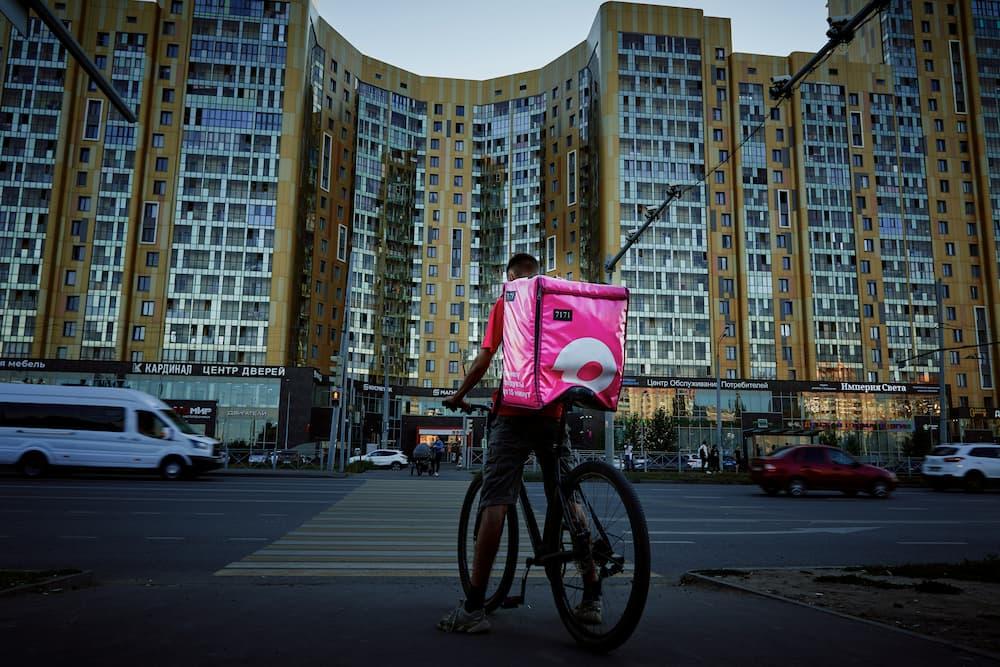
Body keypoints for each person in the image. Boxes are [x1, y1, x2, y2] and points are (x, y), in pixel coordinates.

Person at [437, 253, 601, 634]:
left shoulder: (506, 303)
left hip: (512, 415)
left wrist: (459, 395)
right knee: (567, 496)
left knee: (495, 500)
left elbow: (483, 361)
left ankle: (474, 608)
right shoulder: (556, 304)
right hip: (554, 415)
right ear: (538, 276)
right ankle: (592, 593)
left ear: (510, 278)